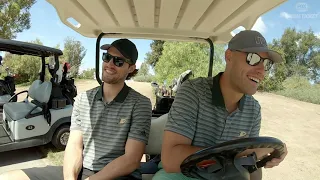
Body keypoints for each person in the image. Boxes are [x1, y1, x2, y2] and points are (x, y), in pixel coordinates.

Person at [0, 38, 152, 180]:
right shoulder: (82, 99)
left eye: (118, 61)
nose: (110, 64)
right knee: (10, 177)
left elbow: (131, 160)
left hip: (119, 174)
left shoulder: (140, 104)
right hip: (84, 170)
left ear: (131, 68)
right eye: (107, 57)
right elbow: (74, 145)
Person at [152, 30, 288, 180]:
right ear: (229, 56)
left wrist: (253, 156)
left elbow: (249, 165)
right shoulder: (193, 92)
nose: (262, 70)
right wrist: (244, 153)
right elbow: (171, 160)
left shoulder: (253, 110)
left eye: (267, 63)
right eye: (253, 58)